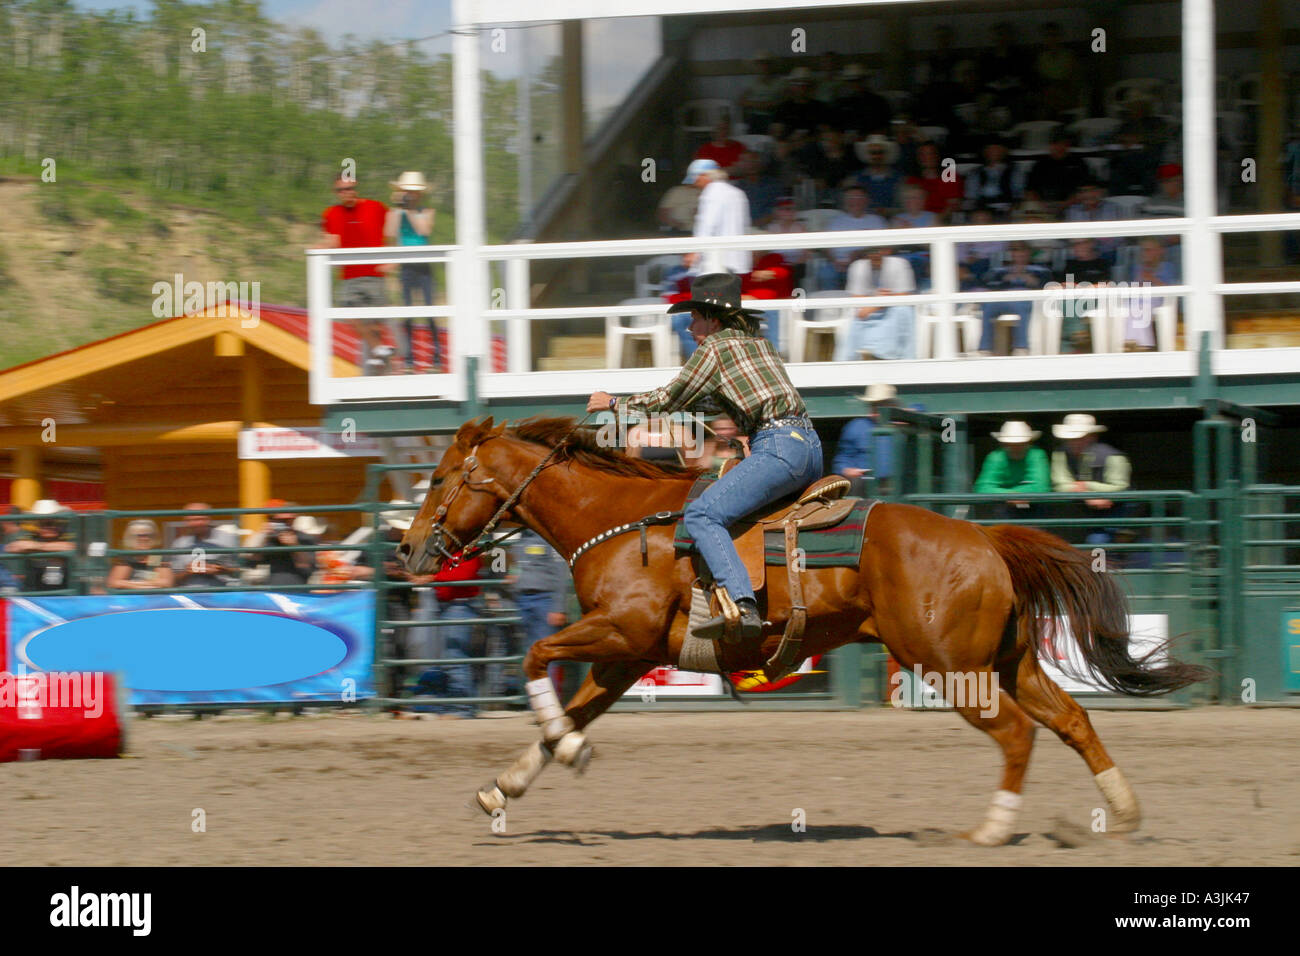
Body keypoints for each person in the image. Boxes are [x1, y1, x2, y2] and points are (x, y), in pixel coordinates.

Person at [587, 272, 822, 642]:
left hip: (777, 447)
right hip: (806, 446)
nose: (689, 328)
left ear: (712, 319)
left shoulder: (712, 349)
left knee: (702, 513)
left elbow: (670, 398)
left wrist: (614, 404)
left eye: (693, 318)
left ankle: (743, 605)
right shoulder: (760, 345)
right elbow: (711, 399)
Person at [319, 177, 396, 375]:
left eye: (350, 188)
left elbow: (393, 231)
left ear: (356, 189)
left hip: (374, 273)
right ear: (336, 192)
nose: (346, 192)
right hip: (349, 276)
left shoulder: (375, 207)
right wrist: (315, 249)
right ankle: (380, 354)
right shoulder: (332, 214)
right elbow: (332, 242)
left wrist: (393, 258)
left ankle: (380, 369)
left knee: (375, 324)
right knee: (350, 316)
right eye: (341, 190)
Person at [384, 171, 440, 374]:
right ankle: (408, 360)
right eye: (407, 192)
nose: (411, 195)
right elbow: (390, 233)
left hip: (424, 265)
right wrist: (398, 210)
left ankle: (436, 359)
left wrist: (409, 212)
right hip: (406, 266)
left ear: (420, 194)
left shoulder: (427, 211)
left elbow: (424, 231)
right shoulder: (397, 212)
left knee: (430, 312)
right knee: (408, 312)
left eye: (414, 192)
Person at [1050, 413, 1132, 545]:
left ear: (1092, 437)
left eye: (1079, 438)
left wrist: (1086, 486)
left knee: (1097, 543)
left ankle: (1102, 565)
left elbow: (1121, 488)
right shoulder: (1060, 454)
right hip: (1080, 510)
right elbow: (1059, 485)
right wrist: (1088, 495)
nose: (1074, 442)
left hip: (1117, 508)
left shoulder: (1114, 457)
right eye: (1070, 439)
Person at [977, 241, 1051, 356]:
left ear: (1028, 253)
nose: (1019, 254)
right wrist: (1005, 280)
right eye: (1015, 251)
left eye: (1022, 250)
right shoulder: (1000, 270)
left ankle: (1021, 348)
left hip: (1026, 299)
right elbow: (989, 285)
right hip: (1004, 297)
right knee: (987, 306)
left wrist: (1033, 281)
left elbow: (1047, 285)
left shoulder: (1039, 269)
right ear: (1011, 254)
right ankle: (985, 349)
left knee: (1023, 305)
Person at [846, 245, 916, 361]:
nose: (874, 254)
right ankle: (862, 354)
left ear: (887, 250)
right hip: (868, 309)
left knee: (902, 310)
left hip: (892, 309)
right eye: (870, 250)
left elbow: (904, 296)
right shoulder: (858, 266)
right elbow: (856, 299)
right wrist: (877, 303)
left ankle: (889, 354)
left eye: (877, 250)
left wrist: (880, 302)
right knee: (857, 314)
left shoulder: (899, 264)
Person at [973, 421, 1051, 521]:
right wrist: (1010, 496)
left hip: (1035, 506)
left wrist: (1013, 495)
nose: (1016, 447)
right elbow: (982, 488)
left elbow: (1042, 487)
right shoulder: (995, 457)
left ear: (1028, 443)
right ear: (1004, 444)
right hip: (1004, 507)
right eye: (1011, 443)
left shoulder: (1037, 454)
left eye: (1021, 443)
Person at [817, 185, 887, 291]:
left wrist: (859, 254)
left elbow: (883, 247)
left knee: (862, 271)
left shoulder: (876, 221)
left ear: (866, 200)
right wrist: (834, 261)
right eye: (850, 198)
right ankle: (830, 306)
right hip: (837, 264)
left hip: (865, 263)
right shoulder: (836, 221)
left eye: (858, 198)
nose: (854, 201)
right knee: (825, 273)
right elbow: (826, 246)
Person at [832, 383, 897, 497]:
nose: (875, 410)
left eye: (881, 405)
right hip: (865, 487)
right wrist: (848, 470)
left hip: (896, 487)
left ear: (891, 405)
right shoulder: (856, 427)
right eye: (873, 405)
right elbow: (842, 461)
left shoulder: (903, 427)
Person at [5, 499, 76, 593]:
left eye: (51, 522)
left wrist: (37, 547)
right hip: (35, 596)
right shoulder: (29, 536)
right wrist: (53, 549)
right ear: (37, 524)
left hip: (66, 595)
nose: (48, 526)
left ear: (59, 522)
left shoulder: (68, 536)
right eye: (43, 523)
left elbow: (72, 547)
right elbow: (13, 547)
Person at [1056, 237, 1113, 354]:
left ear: (1090, 244)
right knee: (1066, 304)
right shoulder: (1070, 265)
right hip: (1075, 298)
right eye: (1075, 244)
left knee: (1072, 304)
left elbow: (1107, 285)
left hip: (1096, 300)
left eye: (1080, 243)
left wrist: (1083, 288)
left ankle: (1075, 344)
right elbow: (1064, 284)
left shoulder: (1101, 263)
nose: (1076, 247)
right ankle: (1075, 341)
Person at [248, 500, 317, 587]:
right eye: (278, 520)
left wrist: (294, 546)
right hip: (270, 590)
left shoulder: (304, 538)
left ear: (294, 519)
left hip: (298, 589)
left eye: (287, 520)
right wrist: (263, 536)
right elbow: (253, 562)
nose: (283, 523)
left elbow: (306, 567)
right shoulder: (268, 538)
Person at [171, 502, 238, 588]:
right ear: (185, 521)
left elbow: (242, 571)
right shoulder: (179, 544)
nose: (196, 523)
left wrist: (222, 570)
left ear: (209, 519)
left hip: (222, 594)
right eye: (191, 520)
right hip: (190, 595)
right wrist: (188, 571)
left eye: (200, 519)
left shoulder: (229, 539)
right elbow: (173, 580)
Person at [107, 520, 175, 590]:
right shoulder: (128, 557)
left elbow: (166, 583)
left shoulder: (155, 557)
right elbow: (114, 582)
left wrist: (131, 584)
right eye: (139, 535)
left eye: (148, 535)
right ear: (130, 538)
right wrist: (150, 584)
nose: (144, 538)